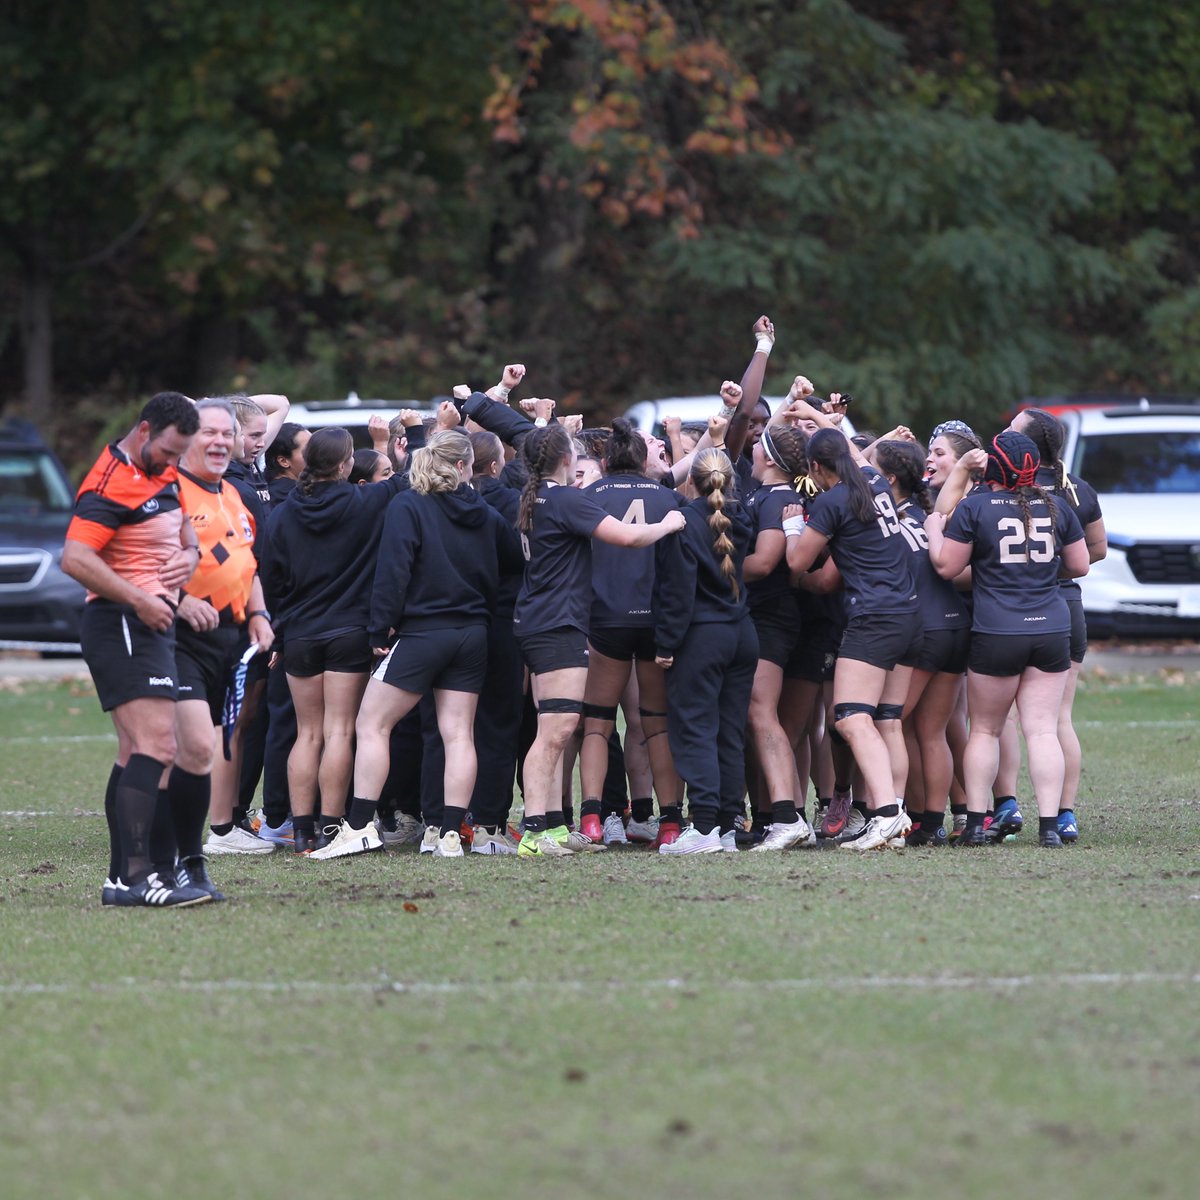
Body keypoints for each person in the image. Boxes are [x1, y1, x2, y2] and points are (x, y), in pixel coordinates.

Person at [310, 430, 524, 859]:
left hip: (423, 633)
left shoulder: (408, 504)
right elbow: (514, 560)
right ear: (463, 467)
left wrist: (378, 630)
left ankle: (358, 826)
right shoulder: (483, 511)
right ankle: (448, 834)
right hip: (473, 634)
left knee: (372, 724)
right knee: (459, 733)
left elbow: (394, 570)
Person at [61, 391, 212, 907]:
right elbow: (76, 558)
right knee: (158, 747)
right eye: (168, 452)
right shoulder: (110, 482)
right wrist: (141, 600)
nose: (173, 465)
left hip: (151, 621)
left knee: (136, 753)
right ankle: (137, 878)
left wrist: (189, 559)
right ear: (144, 431)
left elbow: (185, 531)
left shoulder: (161, 473)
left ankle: (121, 879)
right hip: (122, 621)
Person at [513, 422, 686, 857]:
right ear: (567, 459)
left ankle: (556, 825)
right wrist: (669, 522)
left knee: (567, 725)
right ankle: (537, 830)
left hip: (547, 620)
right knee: (556, 729)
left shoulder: (536, 498)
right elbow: (629, 536)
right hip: (558, 624)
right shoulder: (567, 498)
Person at [924, 430, 1089, 847]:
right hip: (1051, 626)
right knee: (1042, 731)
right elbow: (1080, 564)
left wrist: (933, 530)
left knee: (984, 729)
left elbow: (946, 567)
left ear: (992, 467)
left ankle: (977, 824)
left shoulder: (977, 506)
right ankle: (1050, 827)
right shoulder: (1057, 506)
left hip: (998, 628)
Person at [783, 391, 922, 852]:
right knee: (874, 718)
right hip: (904, 609)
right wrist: (818, 416)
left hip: (875, 614)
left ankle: (886, 815)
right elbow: (851, 450)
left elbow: (798, 563)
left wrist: (789, 525)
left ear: (817, 469)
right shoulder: (873, 481)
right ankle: (890, 813)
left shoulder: (832, 500)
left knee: (850, 716)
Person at [263, 426, 406, 853]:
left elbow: (270, 579)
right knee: (340, 731)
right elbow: (406, 476)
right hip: (349, 632)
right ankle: (331, 826)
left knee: (307, 734)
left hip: (300, 636)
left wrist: (279, 632)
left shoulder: (284, 513)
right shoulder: (364, 501)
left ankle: (302, 828)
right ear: (345, 465)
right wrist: (398, 441)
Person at [172, 398, 276, 880]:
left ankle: (215, 832)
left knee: (222, 735)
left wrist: (257, 613)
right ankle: (169, 845)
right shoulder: (167, 492)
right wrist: (176, 602)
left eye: (224, 434)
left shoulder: (230, 495)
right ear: (185, 439)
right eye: (207, 433)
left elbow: (244, 561)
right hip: (174, 636)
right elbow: (127, 561)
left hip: (230, 636)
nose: (219, 442)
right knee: (187, 741)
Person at [577, 416, 688, 848]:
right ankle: (670, 822)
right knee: (656, 726)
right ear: (645, 461)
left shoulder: (589, 496)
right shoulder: (669, 497)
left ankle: (590, 819)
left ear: (603, 460)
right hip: (654, 622)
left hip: (605, 621)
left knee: (597, 724)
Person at [1008, 408, 1107, 843]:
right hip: (1066, 607)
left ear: (1026, 445)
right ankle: (1064, 814)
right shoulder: (1078, 489)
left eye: (1011, 429)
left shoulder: (1006, 489)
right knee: (1058, 719)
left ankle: (1003, 808)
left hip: (1010, 610)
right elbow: (1096, 550)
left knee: (1003, 719)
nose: (1003, 433)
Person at [653, 448, 758, 854]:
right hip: (741, 632)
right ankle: (729, 824)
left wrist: (665, 643)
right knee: (729, 732)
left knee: (695, 729)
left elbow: (676, 592)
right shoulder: (741, 518)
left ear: (690, 481)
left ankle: (706, 826)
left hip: (701, 636)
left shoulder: (683, 523)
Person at [871, 438, 970, 847]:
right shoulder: (927, 513)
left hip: (924, 630)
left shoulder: (886, 520)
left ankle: (901, 817)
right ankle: (932, 822)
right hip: (955, 626)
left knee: (889, 723)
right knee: (932, 732)